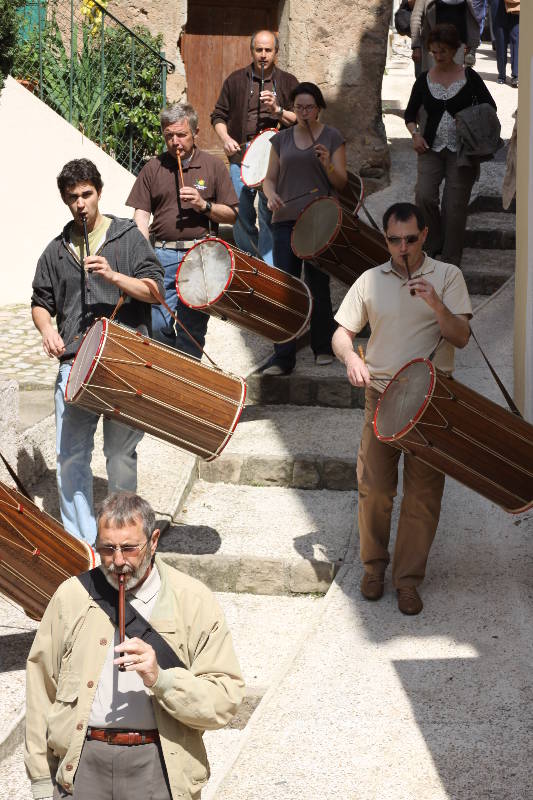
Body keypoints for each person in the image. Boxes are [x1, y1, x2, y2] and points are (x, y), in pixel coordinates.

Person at [25, 491, 244, 800]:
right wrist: (40, 778)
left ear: (153, 541)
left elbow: (225, 698)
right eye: (106, 548)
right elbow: (40, 688)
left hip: (157, 764)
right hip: (83, 763)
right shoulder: (71, 596)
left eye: (129, 548)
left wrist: (162, 679)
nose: (117, 561)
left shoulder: (193, 600)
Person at [332, 202, 472, 615]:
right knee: (373, 487)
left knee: (423, 494)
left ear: (424, 235)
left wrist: (437, 305)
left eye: (411, 239)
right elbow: (342, 333)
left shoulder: (448, 276)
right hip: (381, 394)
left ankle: (408, 581)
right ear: (386, 240)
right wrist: (351, 359)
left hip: (432, 400)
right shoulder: (370, 280)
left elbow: (461, 336)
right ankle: (374, 567)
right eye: (394, 240)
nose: (403, 247)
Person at [31, 159, 164, 545]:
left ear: (99, 193)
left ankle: (122, 536)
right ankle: (82, 542)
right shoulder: (56, 251)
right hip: (74, 364)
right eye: (72, 197)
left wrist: (114, 276)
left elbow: (156, 291)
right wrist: (47, 330)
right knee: (71, 456)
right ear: (64, 200)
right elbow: (40, 301)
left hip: (124, 361)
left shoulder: (126, 237)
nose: (81, 203)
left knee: (120, 455)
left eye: (87, 194)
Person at [126, 102, 238, 359]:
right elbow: (141, 216)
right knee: (156, 324)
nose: (175, 142)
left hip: (200, 257)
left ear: (195, 133)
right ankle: (172, 366)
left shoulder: (213, 166)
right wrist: (144, 254)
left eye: (181, 135)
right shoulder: (153, 167)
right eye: (169, 136)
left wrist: (204, 205)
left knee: (192, 329)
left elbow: (233, 214)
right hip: (161, 256)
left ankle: (185, 380)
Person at [261, 82, 347, 375]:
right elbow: (269, 178)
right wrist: (270, 195)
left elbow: (342, 183)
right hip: (284, 219)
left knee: (318, 285)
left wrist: (327, 165)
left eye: (310, 107)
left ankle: (322, 346)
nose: (304, 113)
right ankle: (283, 356)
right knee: (287, 287)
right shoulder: (281, 140)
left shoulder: (332, 137)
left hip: (318, 219)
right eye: (299, 107)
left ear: (319, 108)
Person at [404, 23, 497, 266]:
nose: (437, 56)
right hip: (430, 149)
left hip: (462, 152)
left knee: (454, 206)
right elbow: (410, 114)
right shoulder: (424, 79)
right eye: (433, 51)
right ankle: (433, 245)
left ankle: (450, 258)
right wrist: (415, 135)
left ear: (456, 50)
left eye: (442, 51)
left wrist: (468, 120)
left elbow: (490, 109)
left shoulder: (470, 77)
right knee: (424, 197)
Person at [211, 30, 298, 264]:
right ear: (252, 51)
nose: (263, 55)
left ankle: (270, 266)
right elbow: (217, 115)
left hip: (274, 157)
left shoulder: (288, 82)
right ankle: (251, 260)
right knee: (239, 211)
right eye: (258, 50)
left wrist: (277, 110)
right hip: (240, 154)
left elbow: (300, 119)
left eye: (268, 50)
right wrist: (225, 138)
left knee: (270, 211)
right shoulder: (236, 80)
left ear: (276, 52)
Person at [411, 0, 480, 70]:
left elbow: (469, 19)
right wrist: (416, 47)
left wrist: (471, 48)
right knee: (432, 77)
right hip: (433, 48)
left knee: (453, 77)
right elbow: (416, 18)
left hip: (457, 48)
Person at [489, 0, 519, 86]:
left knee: (515, 38)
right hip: (498, 4)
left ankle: (516, 75)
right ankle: (501, 74)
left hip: (516, 4)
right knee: (500, 39)